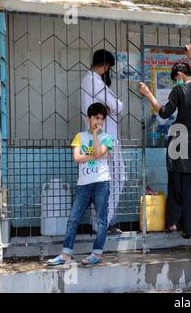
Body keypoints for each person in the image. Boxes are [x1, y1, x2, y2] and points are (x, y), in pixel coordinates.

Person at [139, 45, 191, 239]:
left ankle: (173, 224)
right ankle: (189, 228)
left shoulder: (179, 90)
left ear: (178, 75)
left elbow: (164, 112)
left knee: (176, 186)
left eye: (175, 78)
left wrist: (148, 94)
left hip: (178, 143)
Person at [46, 103, 114, 266]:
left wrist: (96, 138)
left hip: (101, 183)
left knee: (102, 221)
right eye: (96, 118)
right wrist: (97, 156)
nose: (99, 121)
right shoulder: (80, 136)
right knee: (73, 219)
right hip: (83, 184)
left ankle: (96, 254)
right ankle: (65, 254)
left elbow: (97, 153)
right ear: (88, 119)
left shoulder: (107, 137)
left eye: (102, 119)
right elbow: (77, 158)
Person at [81, 49, 125, 234]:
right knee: (116, 178)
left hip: (99, 137)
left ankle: (99, 223)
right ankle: (103, 223)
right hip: (105, 139)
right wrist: (112, 106)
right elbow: (117, 106)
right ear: (106, 66)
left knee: (101, 180)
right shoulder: (93, 81)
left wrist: (111, 106)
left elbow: (112, 107)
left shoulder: (89, 80)